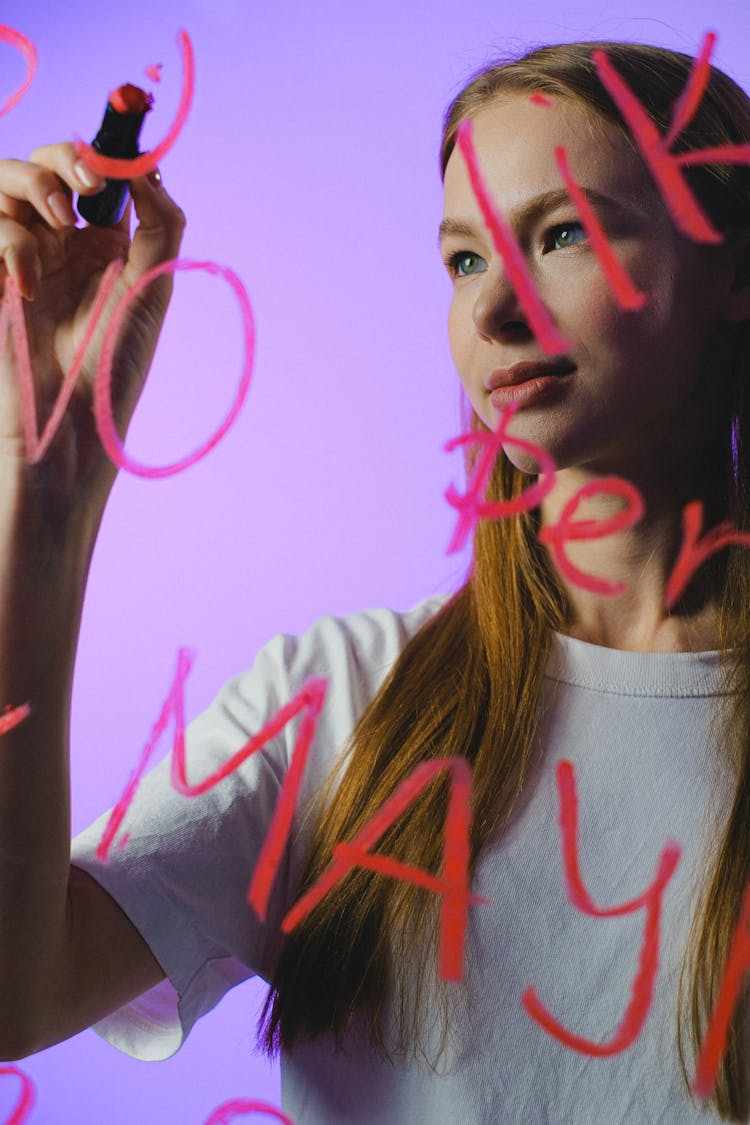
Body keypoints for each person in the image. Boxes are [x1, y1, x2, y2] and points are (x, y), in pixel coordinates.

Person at [1, 36, 750, 1124]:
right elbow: (17, 991)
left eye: (564, 233)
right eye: (464, 260)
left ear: (733, 270)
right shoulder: (336, 700)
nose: (494, 312)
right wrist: (47, 487)